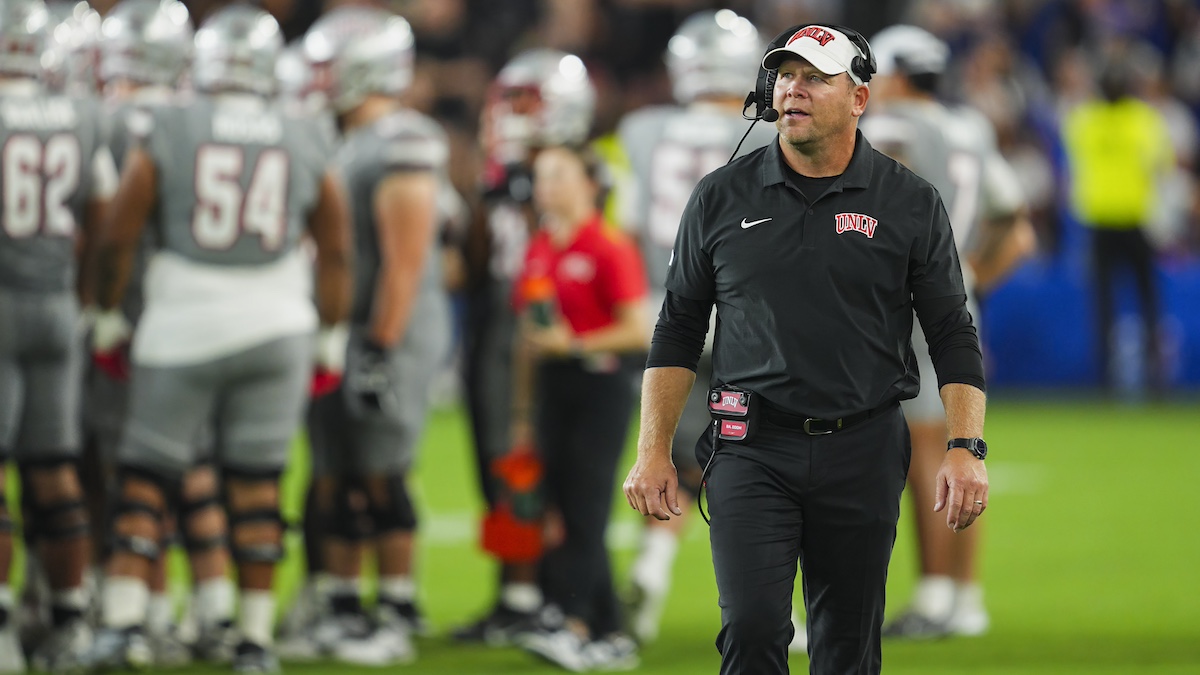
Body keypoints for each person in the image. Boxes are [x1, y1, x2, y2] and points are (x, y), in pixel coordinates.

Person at [622, 23, 990, 674]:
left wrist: (964, 447)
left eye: (815, 78)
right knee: (754, 628)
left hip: (864, 443)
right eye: (785, 75)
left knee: (846, 645)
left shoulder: (908, 202)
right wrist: (654, 449)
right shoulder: (719, 195)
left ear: (859, 98)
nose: (794, 89)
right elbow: (677, 327)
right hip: (749, 445)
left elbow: (952, 333)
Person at [86, 5, 351, 672]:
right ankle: (254, 640)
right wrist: (331, 334)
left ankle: (121, 624)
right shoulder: (303, 128)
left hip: (184, 320)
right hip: (278, 323)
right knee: (259, 487)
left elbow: (120, 230)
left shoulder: (172, 122)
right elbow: (338, 248)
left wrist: (110, 311)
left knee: (145, 479)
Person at [616, 9, 813, 652]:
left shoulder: (643, 130)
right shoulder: (771, 130)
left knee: (668, 454)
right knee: (770, 462)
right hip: (746, 321)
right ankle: (793, 615)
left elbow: (623, 220)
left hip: (662, 315)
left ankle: (648, 571)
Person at [286, 6, 452, 666]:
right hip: (343, 327)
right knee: (337, 467)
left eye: (329, 66)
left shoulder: (401, 139)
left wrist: (379, 348)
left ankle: (386, 607)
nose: (319, 79)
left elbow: (404, 262)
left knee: (378, 470)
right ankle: (349, 602)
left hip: (389, 330)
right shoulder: (341, 135)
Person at [858, 24, 1036, 640]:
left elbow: (885, 200)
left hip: (904, 302)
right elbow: (1017, 227)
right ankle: (965, 599)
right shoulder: (971, 128)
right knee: (964, 447)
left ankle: (934, 598)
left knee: (927, 450)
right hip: (955, 300)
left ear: (895, 75)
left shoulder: (893, 123)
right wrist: (971, 280)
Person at [453, 48, 596, 645]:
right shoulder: (502, 171)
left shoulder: (585, 167)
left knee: (550, 466)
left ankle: (560, 599)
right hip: (503, 319)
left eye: (526, 102)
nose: (512, 115)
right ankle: (517, 596)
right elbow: (480, 257)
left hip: (557, 324)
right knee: (502, 461)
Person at [0, 0, 117, 670]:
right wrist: (84, 296)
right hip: (55, 307)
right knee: (55, 470)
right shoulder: (82, 114)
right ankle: (71, 619)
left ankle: (5, 635)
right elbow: (100, 216)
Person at [512, 144, 648, 671]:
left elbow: (637, 329)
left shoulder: (608, 246)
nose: (546, 186)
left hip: (600, 390)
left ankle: (572, 623)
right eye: (541, 175)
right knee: (557, 506)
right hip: (554, 389)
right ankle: (607, 630)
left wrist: (572, 344)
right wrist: (521, 415)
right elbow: (528, 339)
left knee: (586, 508)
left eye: (559, 175)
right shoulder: (540, 245)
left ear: (592, 183)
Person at [1061, 57, 1173, 394]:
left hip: (1104, 221)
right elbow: (1162, 166)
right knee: (1145, 302)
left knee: (1106, 305)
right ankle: (1153, 379)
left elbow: (1072, 156)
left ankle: (1108, 380)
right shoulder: (1145, 119)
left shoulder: (1083, 119)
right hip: (1132, 219)